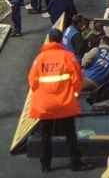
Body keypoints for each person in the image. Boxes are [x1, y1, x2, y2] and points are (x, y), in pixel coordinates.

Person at [28, 28, 93, 172]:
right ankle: (75, 164)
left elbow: (33, 81)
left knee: (45, 135)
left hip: (45, 104)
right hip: (65, 103)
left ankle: (45, 165)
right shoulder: (69, 57)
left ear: (50, 40)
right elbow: (77, 80)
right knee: (70, 134)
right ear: (60, 40)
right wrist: (74, 95)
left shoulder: (40, 59)